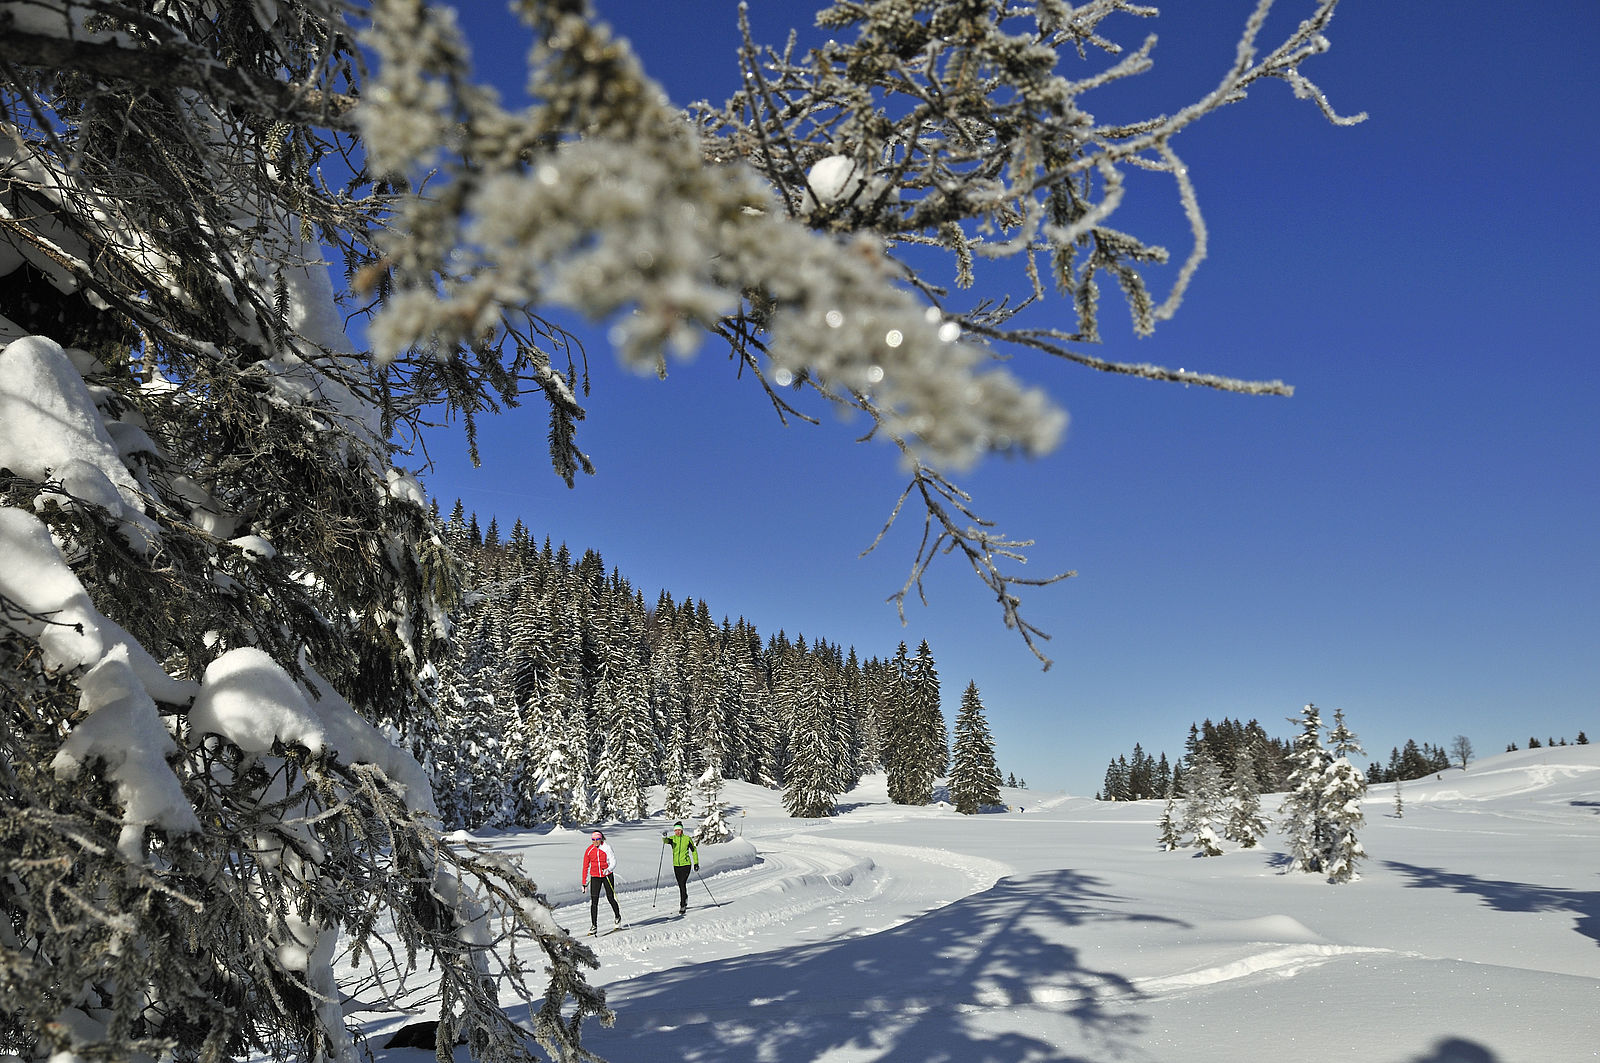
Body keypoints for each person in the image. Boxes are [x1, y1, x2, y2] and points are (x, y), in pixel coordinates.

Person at [581, 830, 622, 934]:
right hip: (595, 876)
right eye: (593, 839)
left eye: (597, 839)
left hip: (606, 875)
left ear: (601, 839)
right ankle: (594, 926)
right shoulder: (589, 850)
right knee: (594, 902)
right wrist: (584, 883)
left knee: (610, 897)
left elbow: (613, 861)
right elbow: (585, 867)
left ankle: (617, 917)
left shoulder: (607, 848)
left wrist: (609, 869)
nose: (595, 841)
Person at [661, 821, 699, 914]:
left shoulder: (687, 839)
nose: (678, 832)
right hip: (676, 865)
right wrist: (664, 837)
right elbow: (666, 841)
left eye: (679, 830)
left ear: (682, 830)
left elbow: (694, 851)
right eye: (676, 830)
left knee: (682, 884)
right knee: (681, 885)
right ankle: (685, 897)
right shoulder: (672, 839)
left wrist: (696, 863)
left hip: (686, 865)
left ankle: (682, 905)